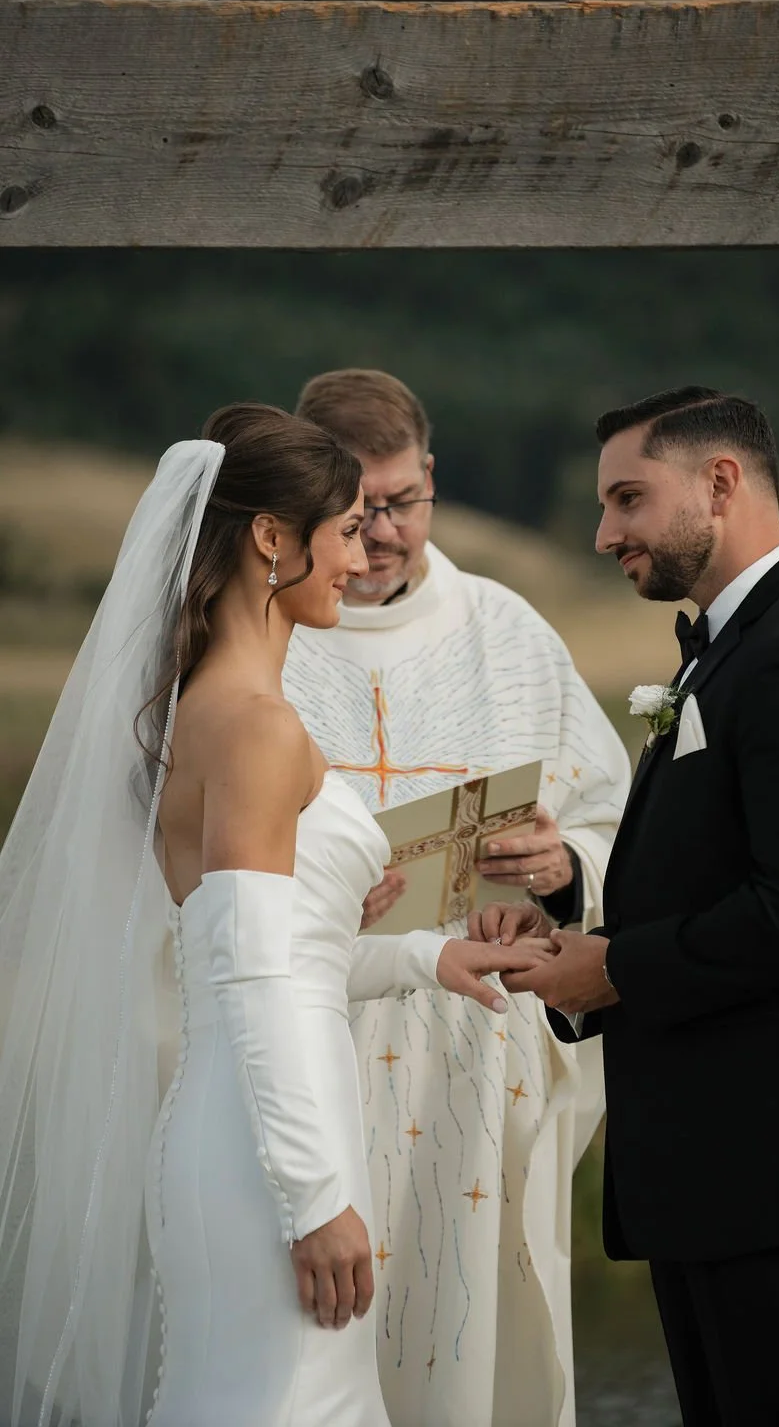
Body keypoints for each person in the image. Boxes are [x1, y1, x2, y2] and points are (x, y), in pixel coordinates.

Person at [0, 403, 544, 1427]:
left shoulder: (209, 710)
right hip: (269, 1152)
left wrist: (432, 959)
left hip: (248, 1122)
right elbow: (252, 978)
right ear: (268, 538)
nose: (358, 553)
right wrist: (310, 1197)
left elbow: (283, 955)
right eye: (342, 528)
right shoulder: (252, 727)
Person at [486, 386, 779, 1427]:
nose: (603, 534)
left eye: (629, 499)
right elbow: (714, 878)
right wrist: (573, 940)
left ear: (720, 483)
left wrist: (619, 970)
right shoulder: (730, 647)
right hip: (721, 1165)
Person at [282, 370, 631, 1427]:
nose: (382, 534)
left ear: (431, 477)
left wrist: (561, 864)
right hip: (314, 1040)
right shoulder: (264, 636)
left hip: (475, 1053)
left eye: (403, 501)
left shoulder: (508, 632)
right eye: (357, 511)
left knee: (467, 1334)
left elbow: (612, 816)